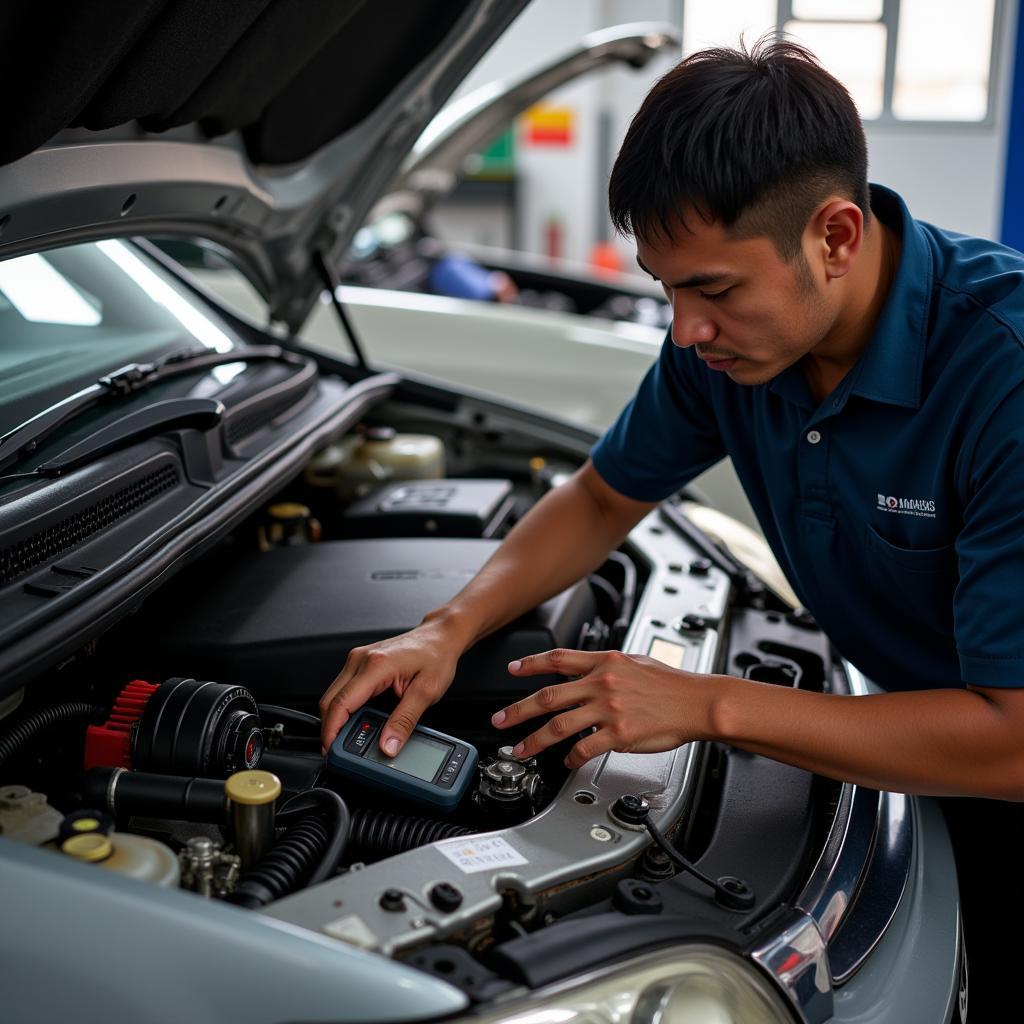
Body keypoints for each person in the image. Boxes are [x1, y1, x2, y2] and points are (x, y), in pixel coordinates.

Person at [320, 40, 1024, 1018]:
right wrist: (448, 626)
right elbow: (606, 496)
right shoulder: (727, 352)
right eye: (666, 289)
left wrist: (705, 703)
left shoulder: (1003, 377)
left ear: (834, 235)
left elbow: (1011, 741)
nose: (685, 330)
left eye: (714, 290)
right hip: (903, 739)